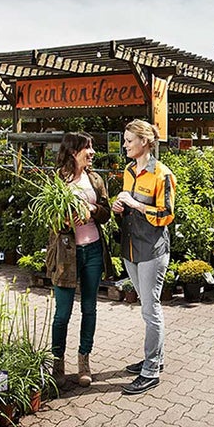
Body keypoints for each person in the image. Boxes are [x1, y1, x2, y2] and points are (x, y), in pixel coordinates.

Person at [112, 120, 176, 395]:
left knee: (151, 310)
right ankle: (156, 358)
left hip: (152, 249)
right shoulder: (128, 171)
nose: (125, 145)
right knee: (146, 307)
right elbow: (127, 207)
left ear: (144, 142)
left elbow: (167, 215)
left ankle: (150, 371)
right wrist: (119, 206)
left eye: (129, 140)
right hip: (130, 248)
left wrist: (136, 204)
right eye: (125, 140)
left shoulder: (162, 174)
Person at [46, 132, 113, 388]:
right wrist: (64, 221)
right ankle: (57, 362)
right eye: (88, 147)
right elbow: (48, 217)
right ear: (74, 152)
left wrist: (93, 210)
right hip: (66, 254)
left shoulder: (95, 179)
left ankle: (84, 360)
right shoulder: (57, 180)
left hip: (93, 250)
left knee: (89, 308)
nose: (92, 152)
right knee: (62, 313)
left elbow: (106, 213)